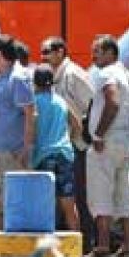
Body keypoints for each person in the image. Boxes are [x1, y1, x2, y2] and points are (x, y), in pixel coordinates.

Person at [85, 34, 129, 257]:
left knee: (101, 192)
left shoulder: (107, 74)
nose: (93, 56)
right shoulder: (125, 73)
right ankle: (128, 247)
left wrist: (98, 134)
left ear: (110, 53)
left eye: (97, 51)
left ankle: (103, 246)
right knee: (125, 194)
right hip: (125, 139)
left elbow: (112, 102)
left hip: (106, 142)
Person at [41, 37, 94, 243]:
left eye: (47, 52)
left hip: (77, 144)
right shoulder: (54, 76)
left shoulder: (73, 74)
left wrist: (82, 133)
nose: (43, 57)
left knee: (79, 196)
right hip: (63, 145)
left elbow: (91, 104)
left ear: (60, 52)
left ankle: (86, 242)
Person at [0, 35, 35, 232]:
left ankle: (10, 244)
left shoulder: (18, 78)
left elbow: (30, 113)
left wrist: (26, 147)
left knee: (10, 202)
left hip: (10, 152)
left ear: (0, 54)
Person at [32, 65, 80, 233]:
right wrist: (68, 140)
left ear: (35, 83)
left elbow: (31, 129)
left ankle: (45, 244)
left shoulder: (34, 103)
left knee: (44, 205)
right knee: (69, 204)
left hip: (43, 157)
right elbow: (77, 124)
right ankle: (76, 243)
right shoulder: (61, 101)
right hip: (64, 154)